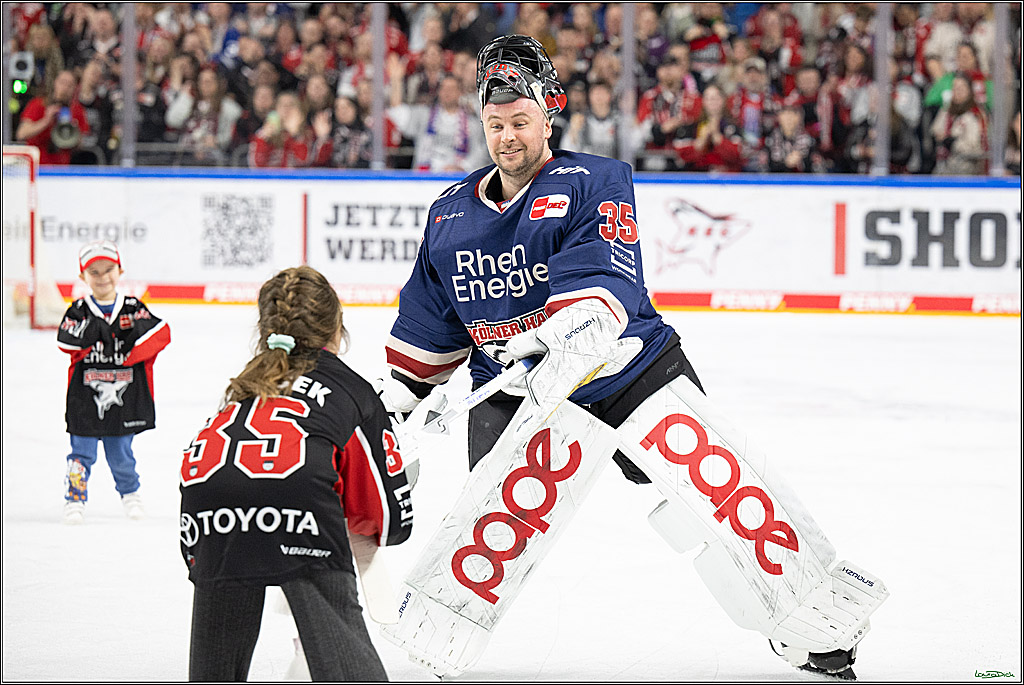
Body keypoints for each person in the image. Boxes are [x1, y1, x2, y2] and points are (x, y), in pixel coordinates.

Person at [378, 34, 873, 679]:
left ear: (548, 114)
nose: (506, 137)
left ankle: (817, 623)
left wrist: (564, 331)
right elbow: (428, 325)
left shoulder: (594, 180)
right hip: (512, 395)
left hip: (627, 373)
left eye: (520, 121)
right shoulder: (450, 215)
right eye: (495, 123)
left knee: (712, 500)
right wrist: (397, 404)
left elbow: (600, 296)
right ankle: (437, 635)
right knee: (489, 527)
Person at [179, 266, 412, 682]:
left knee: (215, 665)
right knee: (336, 634)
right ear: (338, 327)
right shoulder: (351, 389)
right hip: (298, 508)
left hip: (206, 512)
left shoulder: (243, 387)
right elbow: (390, 520)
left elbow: (220, 470)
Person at [56, 241, 171, 524]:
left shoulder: (133, 308)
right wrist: (97, 333)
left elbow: (160, 334)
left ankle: (130, 494)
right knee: (80, 453)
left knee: (121, 454)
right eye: (94, 272)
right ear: (83, 277)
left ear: (120, 270)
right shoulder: (78, 311)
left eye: (109, 270)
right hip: (85, 398)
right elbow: (67, 341)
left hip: (124, 397)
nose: (103, 277)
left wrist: (128, 351)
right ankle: (74, 498)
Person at [16, 68, 90, 165]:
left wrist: (73, 131)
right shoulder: (38, 104)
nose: (65, 88)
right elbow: (21, 134)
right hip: (36, 165)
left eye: (70, 85)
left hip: (61, 168)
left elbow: (81, 144)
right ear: (55, 83)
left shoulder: (77, 110)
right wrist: (45, 121)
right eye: (62, 83)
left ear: (74, 89)